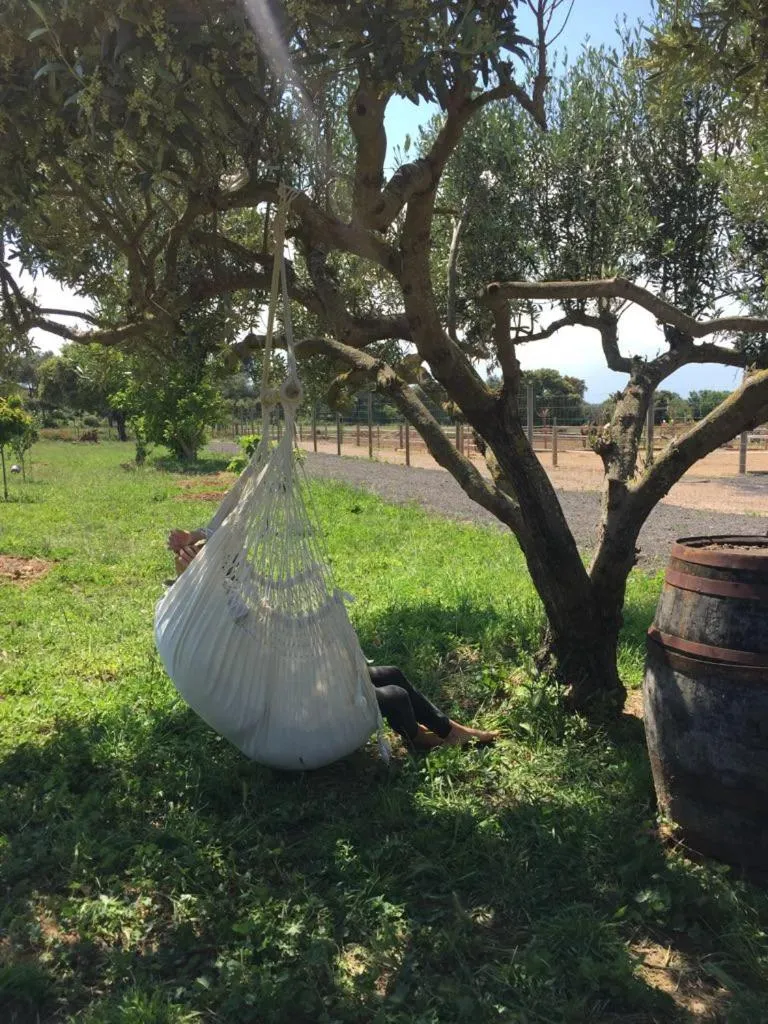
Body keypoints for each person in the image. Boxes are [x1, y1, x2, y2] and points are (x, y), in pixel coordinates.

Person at [167, 527, 499, 751]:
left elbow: (232, 535)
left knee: (392, 673)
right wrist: (191, 569)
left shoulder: (238, 587)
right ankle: (422, 739)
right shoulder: (211, 609)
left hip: (291, 678)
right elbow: (194, 598)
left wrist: (197, 535)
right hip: (282, 703)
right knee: (394, 696)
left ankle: (449, 730)